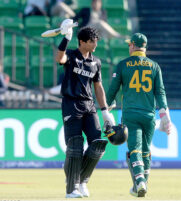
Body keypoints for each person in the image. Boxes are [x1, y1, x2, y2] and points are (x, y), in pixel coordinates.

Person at [106, 33, 171, 197]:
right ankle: (140, 186)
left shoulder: (123, 65)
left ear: (134, 46)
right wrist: (164, 115)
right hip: (149, 115)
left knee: (134, 149)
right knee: (146, 150)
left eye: (130, 45)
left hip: (131, 114)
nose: (129, 47)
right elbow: (160, 92)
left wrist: (106, 106)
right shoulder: (155, 66)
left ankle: (140, 181)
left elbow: (113, 90)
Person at [55, 19, 115, 198]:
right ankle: (71, 189)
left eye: (96, 41)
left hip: (89, 106)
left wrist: (104, 111)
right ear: (82, 41)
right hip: (71, 104)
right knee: (75, 145)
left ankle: (81, 181)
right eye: (92, 41)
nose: (96, 44)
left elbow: (98, 87)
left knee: (98, 144)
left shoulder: (96, 62)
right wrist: (65, 38)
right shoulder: (72, 55)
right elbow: (60, 58)